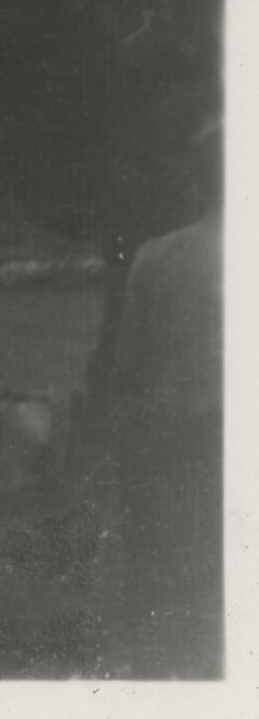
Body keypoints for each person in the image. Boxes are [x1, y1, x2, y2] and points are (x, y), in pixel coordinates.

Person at [109, 118, 222, 678]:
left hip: (177, 440)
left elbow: (131, 369)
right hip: (200, 441)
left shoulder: (159, 257)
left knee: (182, 583)